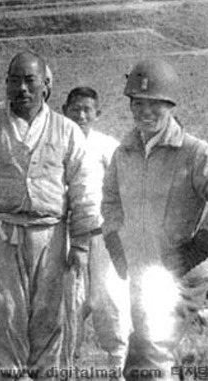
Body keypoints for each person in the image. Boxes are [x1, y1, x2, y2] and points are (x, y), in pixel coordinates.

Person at [0, 52, 101, 380]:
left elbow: (85, 188)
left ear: (45, 85)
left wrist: (81, 245)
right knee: (3, 316)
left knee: (51, 317)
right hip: (0, 237)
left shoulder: (67, 130)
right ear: (6, 84)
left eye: (30, 80)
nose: (22, 88)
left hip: (52, 237)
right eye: (15, 81)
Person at [102, 59, 208, 381]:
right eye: (138, 103)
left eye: (155, 105)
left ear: (171, 106)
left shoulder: (194, 152)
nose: (145, 112)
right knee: (147, 358)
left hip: (180, 274)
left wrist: (200, 245)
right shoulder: (124, 153)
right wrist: (114, 239)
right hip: (142, 273)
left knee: (150, 356)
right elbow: (110, 199)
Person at [61, 87, 130, 376]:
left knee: (110, 297)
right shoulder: (56, 143)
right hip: (67, 234)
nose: (81, 115)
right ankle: (67, 365)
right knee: (70, 301)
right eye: (75, 109)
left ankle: (117, 366)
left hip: (103, 234)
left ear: (97, 113)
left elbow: (124, 188)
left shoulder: (107, 146)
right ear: (64, 111)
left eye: (87, 109)